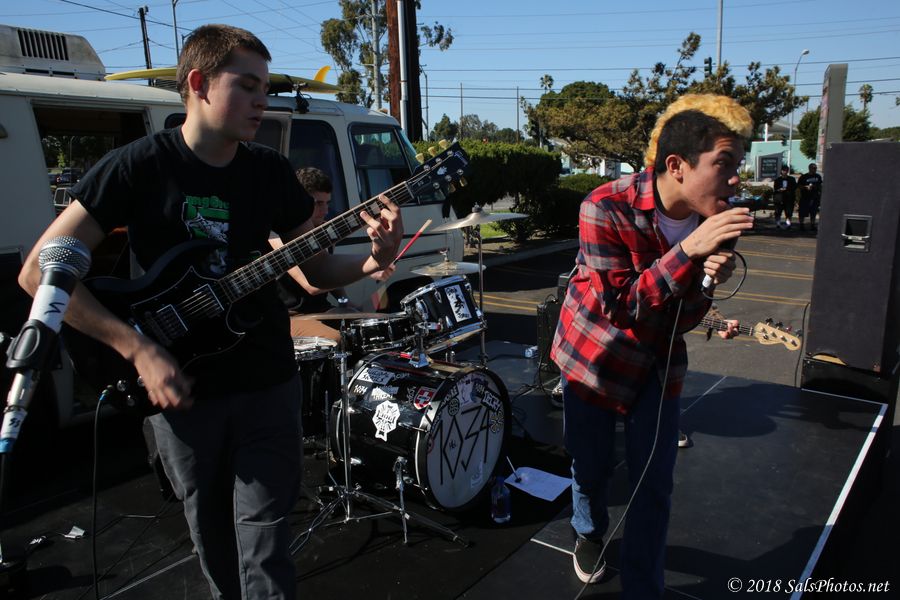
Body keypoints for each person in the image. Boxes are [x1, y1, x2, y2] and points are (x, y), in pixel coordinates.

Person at [17, 24, 403, 600]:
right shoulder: (137, 166)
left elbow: (317, 270)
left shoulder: (269, 171)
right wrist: (136, 348)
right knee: (213, 539)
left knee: (266, 541)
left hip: (268, 384)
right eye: (246, 86)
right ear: (198, 83)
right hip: (186, 397)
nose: (261, 101)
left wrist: (375, 259)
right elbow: (38, 273)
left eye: (265, 88)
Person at [551, 93, 750, 598]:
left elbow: (685, 317)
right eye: (725, 163)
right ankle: (589, 532)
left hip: (658, 363)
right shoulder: (604, 206)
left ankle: (644, 587)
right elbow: (621, 306)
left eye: (738, 166)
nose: (736, 180)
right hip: (594, 358)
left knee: (654, 486)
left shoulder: (715, 221)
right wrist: (689, 252)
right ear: (677, 165)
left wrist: (709, 281)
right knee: (590, 465)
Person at [270, 166, 396, 342]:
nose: (325, 210)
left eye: (327, 203)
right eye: (318, 203)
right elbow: (312, 285)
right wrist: (369, 269)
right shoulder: (277, 236)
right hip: (290, 315)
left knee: (375, 328)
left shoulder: (323, 230)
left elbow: (328, 270)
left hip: (322, 311)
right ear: (300, 202)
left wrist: (345, 301)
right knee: (335, 340)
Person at [797, 162, 823, 231]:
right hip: (805, 197)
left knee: (813, 212)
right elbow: (799, 186)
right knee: (802, 212)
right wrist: (805, 187)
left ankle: (812, 225)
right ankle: (801, 225)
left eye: (815, 168)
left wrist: (816, 188)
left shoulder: (818, 176)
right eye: (813, 168)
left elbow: (820, 185)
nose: (815, 169)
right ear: (809, 168)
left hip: (814, 197)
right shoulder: (804, 177)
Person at [772, 164, 797, 230]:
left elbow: (794, 187)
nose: (785, 172)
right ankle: (778, 224)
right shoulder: (777, 180)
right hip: (779, 198)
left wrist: (787, 189)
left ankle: (788, 224)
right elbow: (775, 189)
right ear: (781, 171)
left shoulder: (792, 179)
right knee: (778, 211)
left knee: (789, 212)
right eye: (783, 170)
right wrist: (779, 189)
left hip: (789, 198)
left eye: (786, 170)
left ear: (788, 171)